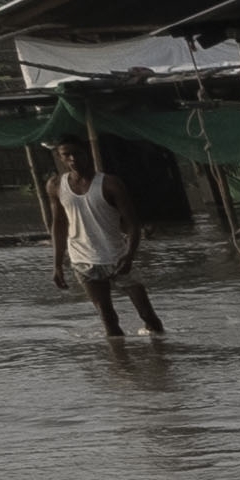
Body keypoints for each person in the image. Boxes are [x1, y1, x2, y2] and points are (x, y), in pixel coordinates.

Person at [49, 148, 164, 347]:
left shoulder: (110, 184)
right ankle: (122, 367)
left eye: (77, 152)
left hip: (117, 256)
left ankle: (163, 355)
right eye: (67, 154)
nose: (73, 158)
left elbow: (131, 223)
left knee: (147, 314)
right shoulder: (56, 185)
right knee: (108, 318)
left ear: (87, 154)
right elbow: (58, 224)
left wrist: (129, 255)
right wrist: (57, 264)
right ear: (60, 157)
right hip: (82, 259)